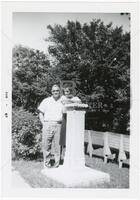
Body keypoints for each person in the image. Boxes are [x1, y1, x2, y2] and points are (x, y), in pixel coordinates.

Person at [38, 85, 63, 168]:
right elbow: (40, 113)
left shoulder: (63, 101)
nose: (55, 92)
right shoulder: (46, 101)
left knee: (58, 145)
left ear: (59, 91)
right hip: (47, 124)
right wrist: (43, 124)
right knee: (46, 144)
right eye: (54, 91)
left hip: (58, 124)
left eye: (57, 90)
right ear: (51, 92)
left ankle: (57, 163)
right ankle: (47, 163)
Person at [59, 87, 81, 159]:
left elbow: (79, 102)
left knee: (72, 137)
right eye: (65, 91)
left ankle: (71, 154)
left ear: (71, 92)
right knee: (63, 137)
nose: (66, 93)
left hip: (73, 119)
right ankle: (61, 155)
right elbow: (64, 101)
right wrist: (72, 101)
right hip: (65, 117)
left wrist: (71, 101)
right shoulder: (62, 97)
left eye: (68, 91)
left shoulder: (76, 98)